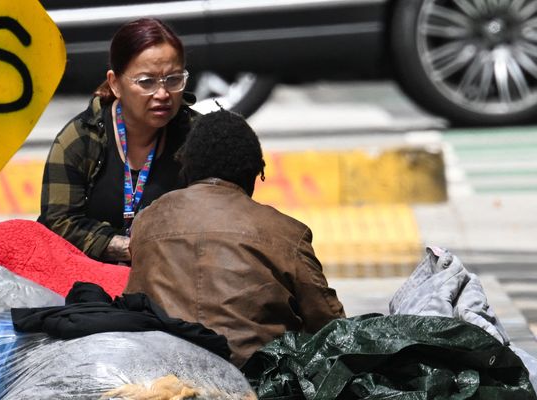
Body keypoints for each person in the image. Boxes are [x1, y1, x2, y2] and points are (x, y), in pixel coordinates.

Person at [123, 110, 346, 367]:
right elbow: (331, 327)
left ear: (186, 166)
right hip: (255, 382)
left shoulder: (147, 220)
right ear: (254, 172)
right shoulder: (288, 233)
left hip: (161, 376)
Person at [39, 18, 199, 263]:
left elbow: (225, 212)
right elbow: (58, 222)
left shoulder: (198, 137)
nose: (163, 94)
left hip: (177, 274)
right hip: (90, 280)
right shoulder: (80, 139)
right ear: (115, 83)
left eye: (174, 80)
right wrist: (128, 247)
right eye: (147, 82)